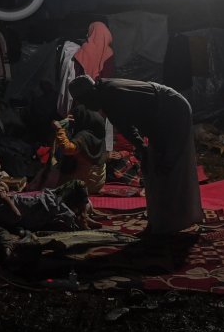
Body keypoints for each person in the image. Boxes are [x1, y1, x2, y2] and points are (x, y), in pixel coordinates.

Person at [68, 75, 203, 235]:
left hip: (172, 110)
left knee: (167, 165)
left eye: (86, 101)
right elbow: (125, 125)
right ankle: (162, 221)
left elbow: (146, 118)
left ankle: (176, 221)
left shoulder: (113, 92)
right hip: (160, 116)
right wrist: (142, 147)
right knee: (154, 166)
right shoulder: (106, 96)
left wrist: (148, 148)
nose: (87, 107)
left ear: (91, 92)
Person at [0, 179, 93, 233]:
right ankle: (82, 218)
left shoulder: (7, 198)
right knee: (77, 186)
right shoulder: (0, 210)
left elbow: (3, 185)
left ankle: (83, 215)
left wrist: (6, 194)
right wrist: (6, 199)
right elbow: (17, 216)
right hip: (46, 208)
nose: (1, 191)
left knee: (77, 184)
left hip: (48, 199)